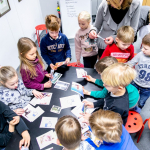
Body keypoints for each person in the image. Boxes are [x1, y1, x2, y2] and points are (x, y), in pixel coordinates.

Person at [127, 33, 150, 110]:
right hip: (135, 82)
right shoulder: (140, 55)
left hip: (147, 87)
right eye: (143, 47)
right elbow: (131, 63)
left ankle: (138, 109)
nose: (142, 49)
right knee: (130, 95)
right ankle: (129, 107)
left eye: (145, 49)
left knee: (142, 101)